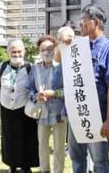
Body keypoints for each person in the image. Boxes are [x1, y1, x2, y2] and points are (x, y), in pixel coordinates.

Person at [68, 4, 109, 173]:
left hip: (98, 115)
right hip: (77, 112)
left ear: (97, 22)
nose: (80, 24)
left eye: (84, 21)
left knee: (99, 161)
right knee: (77, 158)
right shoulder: (77, 47)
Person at [0, 39, 39, 173]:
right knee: (9, 138)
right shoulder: (2, 67)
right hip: (6, 108)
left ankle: (25, 166)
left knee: (26, 138)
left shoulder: (31, 67)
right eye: (13, 52)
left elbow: (36, 88)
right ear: (8, 52)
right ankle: (11, 165)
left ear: (24, 52)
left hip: (24, 108)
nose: (16, 54)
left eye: (19, 51)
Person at [27, 35, 67, 173]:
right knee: (42, 146)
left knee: (59, 147)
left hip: (59, 114)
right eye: (43, 49)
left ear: (55, 49)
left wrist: (54, 94)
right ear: (39, 51)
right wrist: (35, 96)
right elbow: (30, 89)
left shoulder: (62, 67)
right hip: (42, 113)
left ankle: (58, 171)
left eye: (50, 48)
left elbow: (68, 90)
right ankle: (44, 170)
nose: (47, 52)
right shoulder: (35, 69)